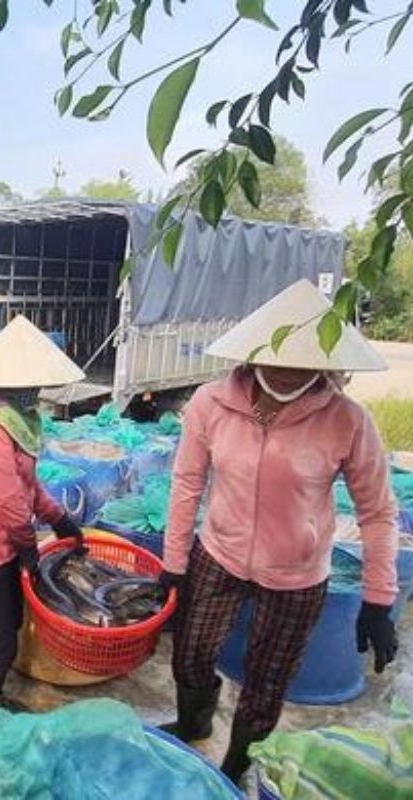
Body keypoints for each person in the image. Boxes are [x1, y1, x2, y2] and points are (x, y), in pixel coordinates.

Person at [159, 279, 399, 785]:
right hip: (218, 553)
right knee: (192, 650)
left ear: (325, 364)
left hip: (297, 574)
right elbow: (186, 483)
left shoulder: (347, 421)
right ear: (254, 352)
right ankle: (194, 718)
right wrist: (173, 564)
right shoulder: (210, 403)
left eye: (305, 363)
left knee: (267, 679)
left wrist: (379, 598)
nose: (289, 371)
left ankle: (238, 761)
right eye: (278, 359)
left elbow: (377, 511)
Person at [0, 315, 86, 711]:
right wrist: (28, 544)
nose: (37, 392)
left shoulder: (18, 420)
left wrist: (60, 519)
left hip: (2, 545)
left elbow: (28, 486)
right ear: (13, 384)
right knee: (2, 636)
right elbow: (8, 497)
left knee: (2, 628)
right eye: (32, 385)